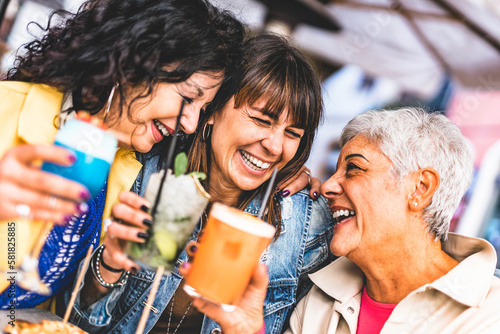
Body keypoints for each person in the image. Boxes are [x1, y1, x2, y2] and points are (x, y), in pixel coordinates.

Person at [65, 33, 334, 334]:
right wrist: (110, 264)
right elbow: (71, 322)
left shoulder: (307, 226)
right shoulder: (141, 176)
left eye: (293, 133)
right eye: (261, 120)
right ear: (212, 112)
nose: (275, 146)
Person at [0, 0, 245, 309]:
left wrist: (108, 265)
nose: (190, 123)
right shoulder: (5, 110)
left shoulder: (127, 165)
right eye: (187, 98)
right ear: (131, 63)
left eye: (203, 110)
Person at [190, 107, 500, 334]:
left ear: (420, 189)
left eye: (353, 169)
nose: (326, 185)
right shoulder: (319, 299)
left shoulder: (490, 316)